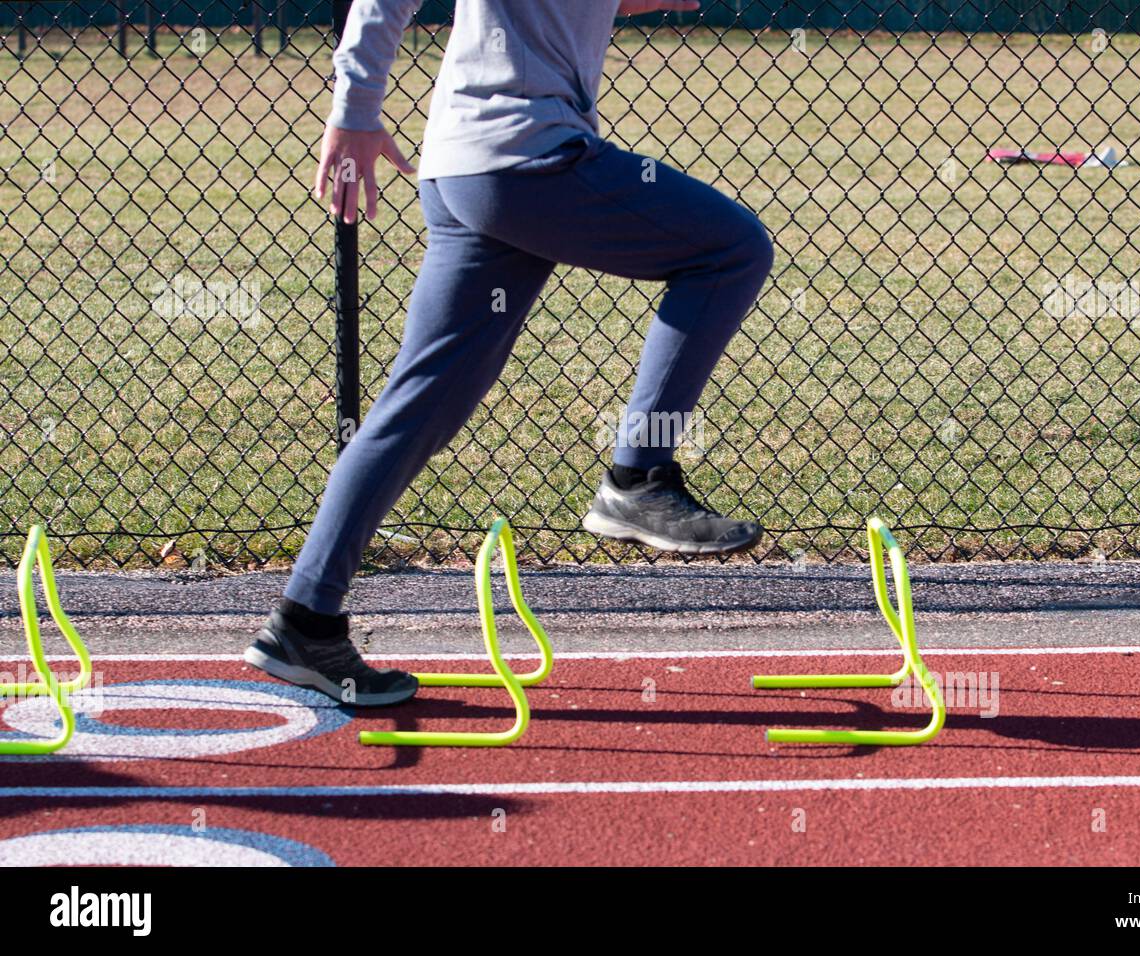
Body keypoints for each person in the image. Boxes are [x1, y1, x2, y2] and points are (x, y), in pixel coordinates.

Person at [245, 0, 775, 706]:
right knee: (731, 249)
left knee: (420, 405)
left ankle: (305, 621)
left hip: (466, 171)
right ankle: (637, 476)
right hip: (529, 160)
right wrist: (355, 110)